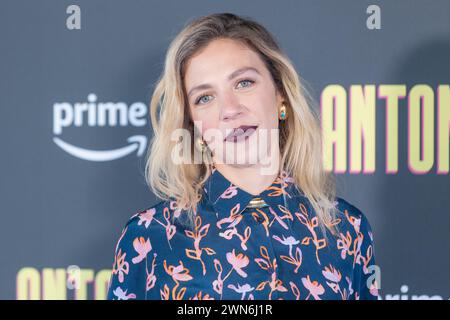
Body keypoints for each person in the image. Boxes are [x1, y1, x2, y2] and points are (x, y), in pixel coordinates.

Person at [106, 12, 379, 300]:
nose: (230, 109)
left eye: (244, 83)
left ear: (280, 95)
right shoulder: (151, 237)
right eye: (205, 98)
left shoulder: (347, 228)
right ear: (193, 124)